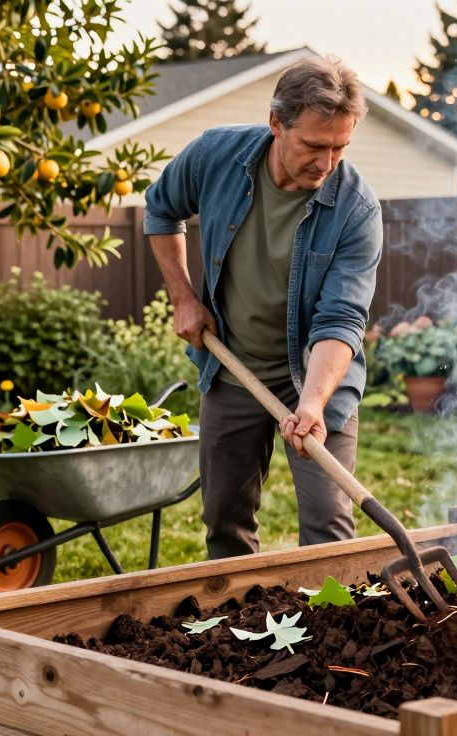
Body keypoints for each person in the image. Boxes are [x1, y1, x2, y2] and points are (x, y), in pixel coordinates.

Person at [144, 56, 383, 560]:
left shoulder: (356, 210)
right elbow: (162, 209)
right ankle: (233, 631)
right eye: (315, 146)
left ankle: (330, 635)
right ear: (277, 123)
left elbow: (341, 320)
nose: (327, 163)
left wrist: (313, 405)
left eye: (341, 146)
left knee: (328, 531)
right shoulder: (216, 156)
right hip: (232, 367)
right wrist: (184, 297)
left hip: (313, 380)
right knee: (224, 520)